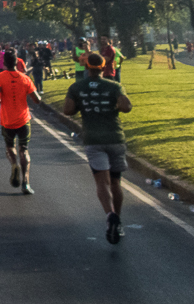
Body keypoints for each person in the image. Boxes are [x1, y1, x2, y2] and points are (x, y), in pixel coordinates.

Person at [63, 53, 133, 244]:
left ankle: (110, 215)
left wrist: (82, 104)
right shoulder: (114, 86)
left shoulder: (77, 87)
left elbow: (67, 110)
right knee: (116, 182)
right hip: (115, 138)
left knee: (102, 182)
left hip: (93, 139)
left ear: (86, 67)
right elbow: (126, 107)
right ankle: (117, 220)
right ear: (103, 68)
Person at [0, 50, 42, 195]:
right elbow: (37, 99)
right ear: (17, 62)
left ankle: (14, 164)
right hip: (23, 119)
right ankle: (26, 183)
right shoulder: (25, 78)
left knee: (9, 147)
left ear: (5, 63)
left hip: (7, 120)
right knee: (24, 149)